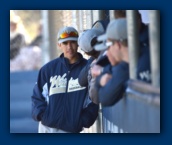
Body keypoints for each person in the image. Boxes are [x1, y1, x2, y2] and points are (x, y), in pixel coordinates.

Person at [31, 26, 98, 133]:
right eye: (65, 43)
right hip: (47, 129)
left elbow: (93, 99)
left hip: (71, 130)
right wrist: (43, 116)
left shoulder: (88, 69)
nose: (69, 47)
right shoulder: (48, 69)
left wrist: (83, 121)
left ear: (78, 44)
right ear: (59, 45)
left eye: (73, 42)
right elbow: (37, 97)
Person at [94, 18, 151, 106]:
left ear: (118, 44)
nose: (107, 52)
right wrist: (100, 79)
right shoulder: (123, 65)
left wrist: (99, 80)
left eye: (108, 47)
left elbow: (105, 98)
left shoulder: (126, 68)